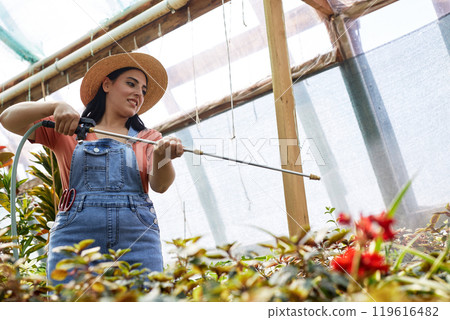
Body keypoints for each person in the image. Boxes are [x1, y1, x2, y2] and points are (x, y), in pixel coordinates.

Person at [0, 52, 184, 283]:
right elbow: (8, 118)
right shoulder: (69, 128)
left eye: (144, 90)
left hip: (137, 239)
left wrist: (162, 155)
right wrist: (57, 106)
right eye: (131, 83)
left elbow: (161, 185)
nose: (139, 93)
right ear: (107, 84)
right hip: (75, 240)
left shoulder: (148, 137)